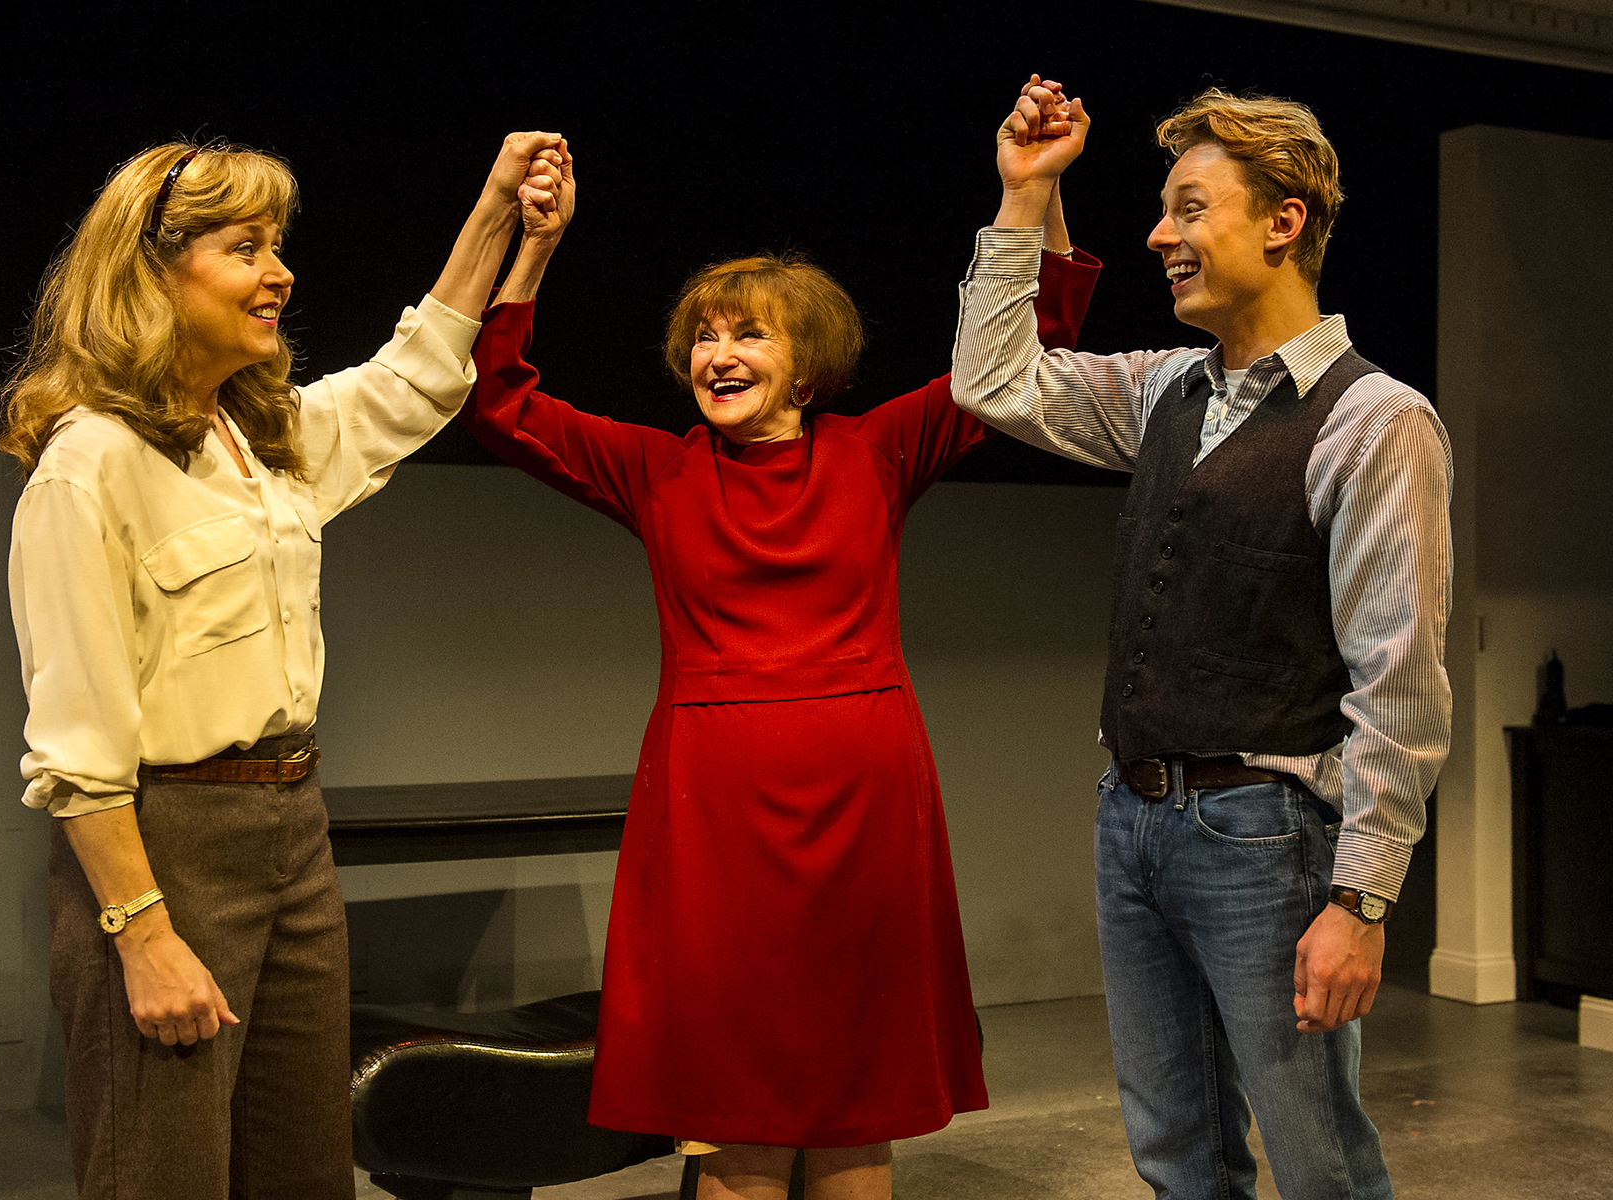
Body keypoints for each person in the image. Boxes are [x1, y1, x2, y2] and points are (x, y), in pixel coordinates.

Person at [463, 144, 1099, 1199]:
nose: (717, 352)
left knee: (854, 1111)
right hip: (713, 821)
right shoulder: (656, 470)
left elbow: (1034, 350)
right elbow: (498, 402)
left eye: (746, 333)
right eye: (703, 337)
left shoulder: (881, 449)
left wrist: (1031, 188)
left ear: (806, 362)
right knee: (736, 1110)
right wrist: (533, 247)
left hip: (865, 806)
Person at [0, 132, 565, 1200]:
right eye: (244, 247)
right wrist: (142, 932)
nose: (280, 273)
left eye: (278, 246)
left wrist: (504, 218)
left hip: (292, 832)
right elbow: (74, 748)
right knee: (161, 1170)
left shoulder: (264, 440)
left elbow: (415, 379)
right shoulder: (90, 465)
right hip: (167, 845)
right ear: (152, 274)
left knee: (305, 1168)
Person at [951, 81, 1453, 1199]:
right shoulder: (1169, 389)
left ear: (1283, 221)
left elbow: (1399, 681)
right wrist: (1025, 195)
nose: (1159, 235)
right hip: (1131, 816)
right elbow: (989, 381)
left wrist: (1361, 903)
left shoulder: (1376, 421)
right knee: (1178, 1158)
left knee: (1318, 1160)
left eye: (1188, 208)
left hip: (1264, 836)